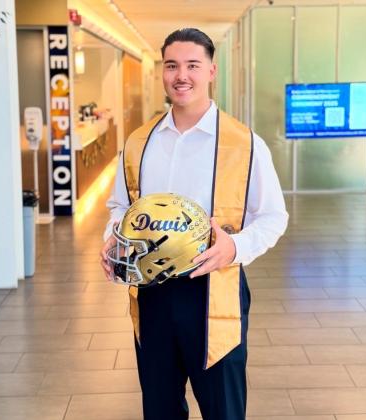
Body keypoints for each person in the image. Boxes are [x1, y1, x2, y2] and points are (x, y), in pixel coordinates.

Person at [100, 28, 288, 420]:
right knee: (160, 408)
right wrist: (113, 241)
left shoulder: (245, 143)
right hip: (150, 291)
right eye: (171, 65)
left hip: (213, 290)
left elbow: (273, 216)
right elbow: (120, 205)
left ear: (211, 71)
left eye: (192, 65)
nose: (180, 75)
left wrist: (233, 248)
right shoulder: (139, 141)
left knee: (223, 409)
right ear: (162, 72)